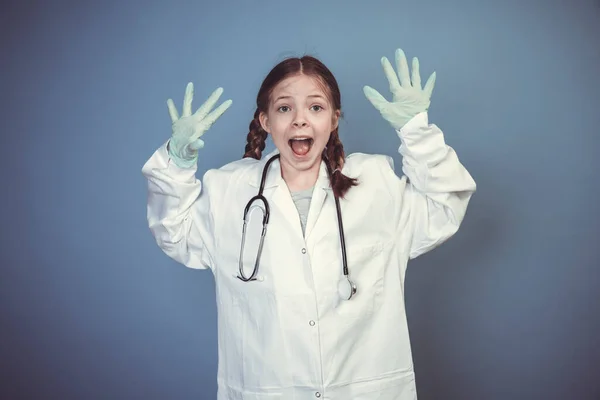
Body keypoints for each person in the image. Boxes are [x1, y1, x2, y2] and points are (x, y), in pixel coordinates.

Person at [141, 47, 476, 400]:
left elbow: (445, 206)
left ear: (333, 119)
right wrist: (176, 162)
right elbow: (174, 232)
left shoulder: (376, 182)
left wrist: (416, 132)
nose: (300, 120)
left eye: (315, 107)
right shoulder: (228, 190)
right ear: (266, 121)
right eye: (285, 108)